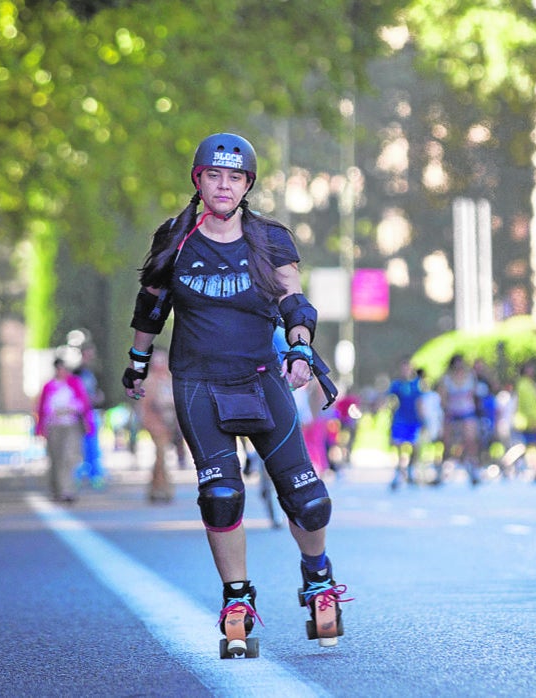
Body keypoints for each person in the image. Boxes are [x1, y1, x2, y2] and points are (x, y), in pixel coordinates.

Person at [120, 132, 345, 658]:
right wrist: (136, 361)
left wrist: (300, 351)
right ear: (198, 180)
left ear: (248, 184)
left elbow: (295, 304)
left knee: (310, 500)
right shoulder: (175, 239)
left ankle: (317, 578)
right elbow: (151, 306)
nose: (224, 185)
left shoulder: (269, 239)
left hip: (263, 379)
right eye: (214, 176)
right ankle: (237, 599)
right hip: (198, 383)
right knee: (222, 496)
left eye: (235, 177)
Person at [36, 357, 95, 504]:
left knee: (69, 457)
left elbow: (84, 404)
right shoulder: (49, 386)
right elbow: (42, 408)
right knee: (56, 458)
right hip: (54, 425)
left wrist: (88, 423)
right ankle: (57, 489)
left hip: (71, 425)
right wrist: (40, 428)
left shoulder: (74, 384)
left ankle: (67, 490)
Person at [136, 346, 187, 503]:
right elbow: (145, 405)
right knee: (161, 455)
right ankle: (162, 489)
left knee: (162, 457)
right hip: (156, 424)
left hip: (170, 423)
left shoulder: (170, 380)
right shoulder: (149, 381)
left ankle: (157, 488)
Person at [438, 354, 483, 486]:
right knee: (447, 443)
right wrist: (446, 411)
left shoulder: (470, 377)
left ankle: (473, 468)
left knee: (470, 441)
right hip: (452, 412)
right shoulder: (446, 379)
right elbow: (443, 397)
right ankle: (441, 470)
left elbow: (474, 395)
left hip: (467, 412)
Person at [386, 359, 424, 490]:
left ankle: (411, 470)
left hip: (413, 419)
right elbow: (390, 401)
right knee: (399, 446)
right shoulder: (396, 385)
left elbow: (420, 402)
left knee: (415, 446)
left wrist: (423, 418)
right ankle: (399, 472)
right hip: (400, 420)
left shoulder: (417, 384)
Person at [74, 344, 107, 490]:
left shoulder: (94, 371)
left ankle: (95, 475)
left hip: (91, 412)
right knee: (81, 445)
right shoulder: (78, 372)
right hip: (81, 413)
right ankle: (79, 474)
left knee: (93, 446)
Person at [512, 362, 536, 480]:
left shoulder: (533, 385)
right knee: (528, 446)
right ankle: (533, 469)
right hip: (528, 421)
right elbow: (526, 404)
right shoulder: (522, 385)